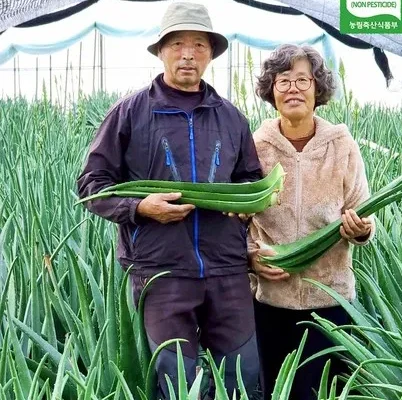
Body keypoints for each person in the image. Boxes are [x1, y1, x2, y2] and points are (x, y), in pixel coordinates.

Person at [77, 3, 262, 398]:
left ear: (211, 53)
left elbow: (251, 178)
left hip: (226, 270)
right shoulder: (129, 113)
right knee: (175, 381)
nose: (188, 54)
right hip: (160, 271)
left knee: (242, 377)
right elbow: (93, 184)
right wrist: (140, 208)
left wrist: (243, 203)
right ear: (161, 51)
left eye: (199, 44)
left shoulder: (231, 118)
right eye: (177, 44)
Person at [248, 44, 375, 400]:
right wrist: (251, 258)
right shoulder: (256, 146)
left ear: (317, 89)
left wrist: (362, 229)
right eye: (283, 80)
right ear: (271, 91)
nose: (292, 89)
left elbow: (362, 209)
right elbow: (239, 219)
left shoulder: (342, 145)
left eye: (302, 80)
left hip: (331, 299)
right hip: (271, 300)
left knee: (322, 390)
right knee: (276, 389)